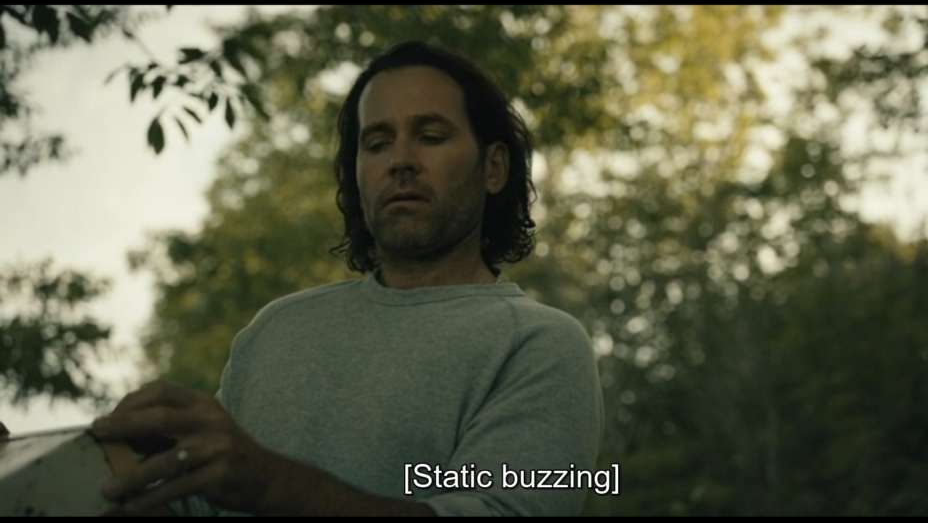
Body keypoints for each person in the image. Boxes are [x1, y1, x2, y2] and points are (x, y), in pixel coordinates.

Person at [22, 40, 604, 516]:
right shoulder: (277, 329)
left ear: (494, 167)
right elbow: (204, 502)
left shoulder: (539, 345)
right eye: (377, 142)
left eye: (430, 136)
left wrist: (273, 485)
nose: (400, 160)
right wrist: (78, 471)